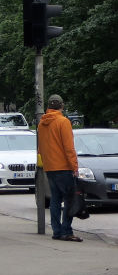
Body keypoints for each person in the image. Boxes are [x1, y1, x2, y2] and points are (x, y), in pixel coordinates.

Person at [37, 94, 82, 242]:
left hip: (50, 167)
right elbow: (69, 148)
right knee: (69, 199)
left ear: (48, 107)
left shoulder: (41, 124)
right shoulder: (63, 122)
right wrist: (74, 166)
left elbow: (40, 148)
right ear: (62, 106)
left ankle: (57, 231)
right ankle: (66, 231)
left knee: (55, 200)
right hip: (63, 167)